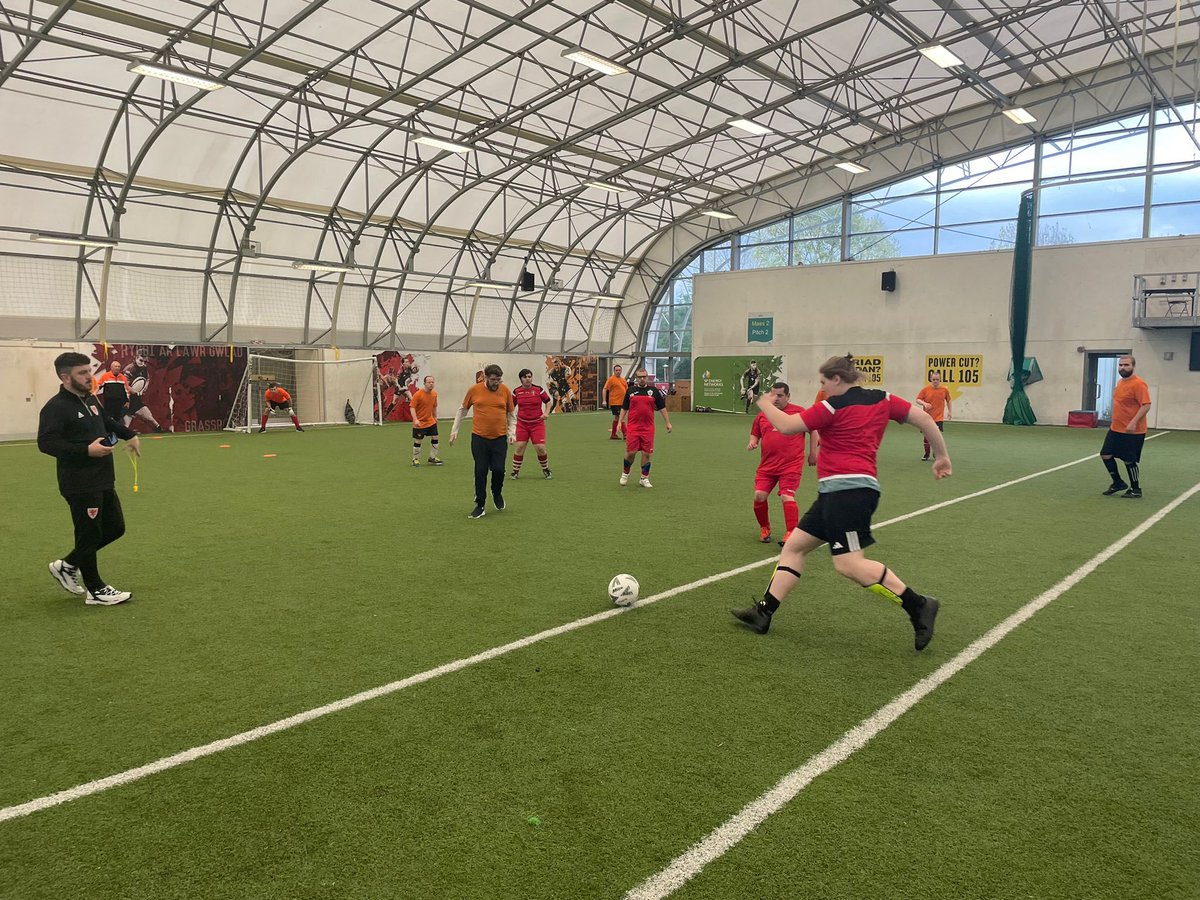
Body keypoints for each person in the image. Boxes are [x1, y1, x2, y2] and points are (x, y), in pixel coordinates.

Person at [731, 354, 951, 652]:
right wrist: (942, 456)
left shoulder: (832, 405)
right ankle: (763, 612)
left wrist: (764, 402)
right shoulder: (883, 398)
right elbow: (925, 419)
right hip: (838, 493)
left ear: (837, 380)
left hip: (848, 494)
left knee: (849, 564)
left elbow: (786, 426)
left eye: (823, 381)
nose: (821, 388)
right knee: (795, 547)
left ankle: (919, 605)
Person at [38, 352, 142, 605]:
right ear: (65, 377)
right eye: (82, 373)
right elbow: (46, 443)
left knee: (116, 528)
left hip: (103, 477)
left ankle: (68, 565)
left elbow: (106, 420)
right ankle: (95, 590)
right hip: (80, 482)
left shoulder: (90, 399)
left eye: (88, 371)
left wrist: (130, 434)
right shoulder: (55, 407)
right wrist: (86, 450)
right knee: (88, 534)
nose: (89, 376)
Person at [451, 363, 516, 519]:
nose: (496, 383)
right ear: (486, 377)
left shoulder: (505, 390)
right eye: (493, 380)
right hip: (479, 438)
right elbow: (462, 410)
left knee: (499, 469)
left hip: (500, 438)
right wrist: (455, 430)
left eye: (499, 380)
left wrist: (512, 433)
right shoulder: (474, 390)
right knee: (480, 470)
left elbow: (511, 414)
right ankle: (480, 505)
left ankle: (497, 492)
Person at [747, 382, 807, 544]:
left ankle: (791, 532)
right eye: (773, 395)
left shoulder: (799, 412)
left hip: (790, 466)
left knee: (787, 496)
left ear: (788, 396)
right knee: (759, 496)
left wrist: (813, 453)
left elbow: (813, 430)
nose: (776, 399)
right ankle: (765, 528)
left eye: (780, 395)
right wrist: (753, 442)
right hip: (767, 466)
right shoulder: (763, 415)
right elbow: (755, 434)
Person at [1100, 354, 1151, 498]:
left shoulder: (1139, 384)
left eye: (1126, 365)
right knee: (1105, 454)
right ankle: (1117, 482)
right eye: (1121, 365)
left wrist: (1133, 422)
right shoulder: (1121, 382)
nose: (1123, 367)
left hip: (1132, 430)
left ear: (1133, 367)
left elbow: (1146, 405)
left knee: (1129, 460)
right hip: (1116, 428)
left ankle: (1136, 489)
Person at [618, 368, 672, 488]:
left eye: (644, 377)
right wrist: (619, 422)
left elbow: (662, 408)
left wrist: (667, 422)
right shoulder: (630, 391)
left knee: (647, 454)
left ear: (647, 377)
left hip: (648, 428)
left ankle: (644, 478)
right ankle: (625, 473)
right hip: (633, 428)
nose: (642, 379)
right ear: (636, 378)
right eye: (639, 377)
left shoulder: (653, 391)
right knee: (631, 452)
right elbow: (624, 408)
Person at [511, 368, 552, 479]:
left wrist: (546, 413)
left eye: (529, 376)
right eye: (525, 377)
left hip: (537, 424)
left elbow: (548, 401)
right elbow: (510, 407)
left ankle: (546, 469)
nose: (528, 379)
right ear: (521, 379)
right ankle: (515, 472)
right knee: (519, 447)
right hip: (522, 424)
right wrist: (510, 422)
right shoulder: (516, 392)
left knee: (540, 448)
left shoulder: (539, 390)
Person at [119, 355, 165, 431]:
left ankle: (158, 427)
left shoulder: (144, 368)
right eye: (141, 360)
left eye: (145, 361)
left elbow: (147, 379)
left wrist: (144, 387)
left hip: (134, 397)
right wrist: (135, 391)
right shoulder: (129, 369)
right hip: (125, 397)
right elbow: (124, 385)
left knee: (146, 414)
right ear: (136, 358)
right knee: (126, 418)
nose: (143, 363)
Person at [915, 371, 952, 461]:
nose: (935, 381)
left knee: (936, 437)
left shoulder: (944, 390)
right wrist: (924, 403)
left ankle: (936, 453)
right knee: (927, 437)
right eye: (934, 379)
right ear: (931, 379)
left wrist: (950, 411)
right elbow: (918, 399)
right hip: (926, 418)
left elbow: (949, 400)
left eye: (937, 379)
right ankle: (926, 454)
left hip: (938, 418)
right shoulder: (925, 389)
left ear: (940, 380)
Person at [407, 375, 443, 467]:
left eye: (432, 382)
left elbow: (434, 406)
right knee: (418, 440)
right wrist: (415, 420)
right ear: (424, 384)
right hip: (420, 422)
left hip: (430, 421)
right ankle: (415, 459)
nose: (431, 384)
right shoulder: (418, 394)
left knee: (435, 437)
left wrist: (435, 417)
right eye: (429, 382)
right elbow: (412, 407)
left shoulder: (434, 394)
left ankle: (432, 458)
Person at [603, 364, 628, 440]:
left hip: (623, 402)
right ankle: (626, 434)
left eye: (619, 370)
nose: (618, 372)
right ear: (614, 371)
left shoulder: (623, 380)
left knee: (617, 418)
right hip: (615, 402)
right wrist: (604, 400)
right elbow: (605, 389)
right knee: (621, 417)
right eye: (616, 370)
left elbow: (627, 391)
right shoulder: (611, 379)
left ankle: (613, 435)